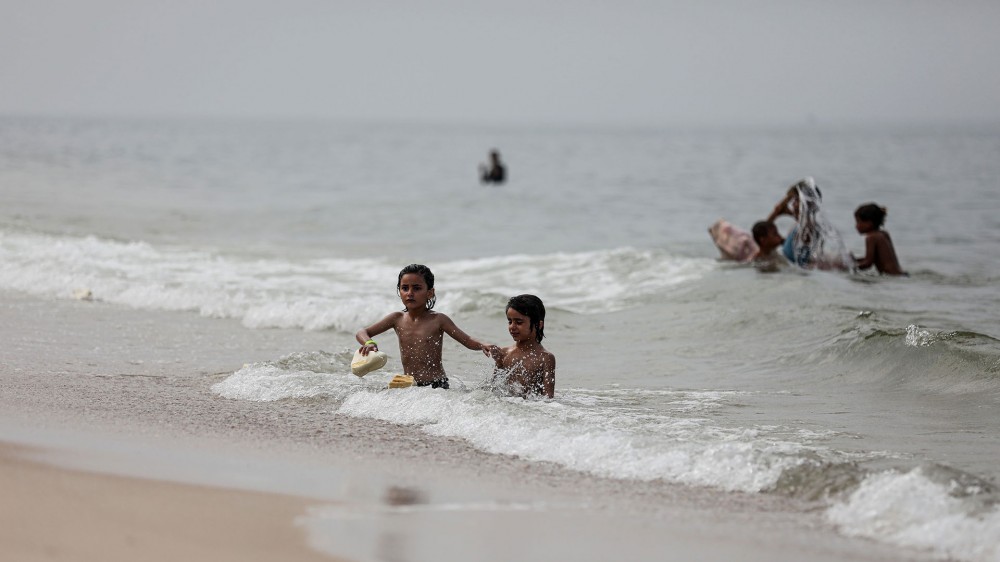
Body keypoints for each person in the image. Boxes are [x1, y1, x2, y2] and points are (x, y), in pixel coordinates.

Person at [356, 264, 494, 388]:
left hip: (436, 386)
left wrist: (483, 344)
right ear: (400, 292)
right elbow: (362, 332)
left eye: (416, 288)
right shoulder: (397, 318)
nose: (410, 293)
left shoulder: (438, 320)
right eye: (405, 288)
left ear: (430, 293)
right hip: (408, 385)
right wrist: (369, 343)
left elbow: (467, 340)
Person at [487, 294, 556, 399]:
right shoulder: (504, 353)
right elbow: (493, 390)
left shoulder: (545, 358)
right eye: (510, 321)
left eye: (519, 322)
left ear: (538, 324)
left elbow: (548, 398)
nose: (512, 327)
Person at [854, 203, 905, 275]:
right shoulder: (883, 233)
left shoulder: (871, 237)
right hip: (901, 274)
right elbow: (874, 258)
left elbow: (868, 263)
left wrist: (849, 267)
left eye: (858, 221)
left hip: (891, 277)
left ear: (869, 223)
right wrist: (854, 260)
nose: (856, 226)